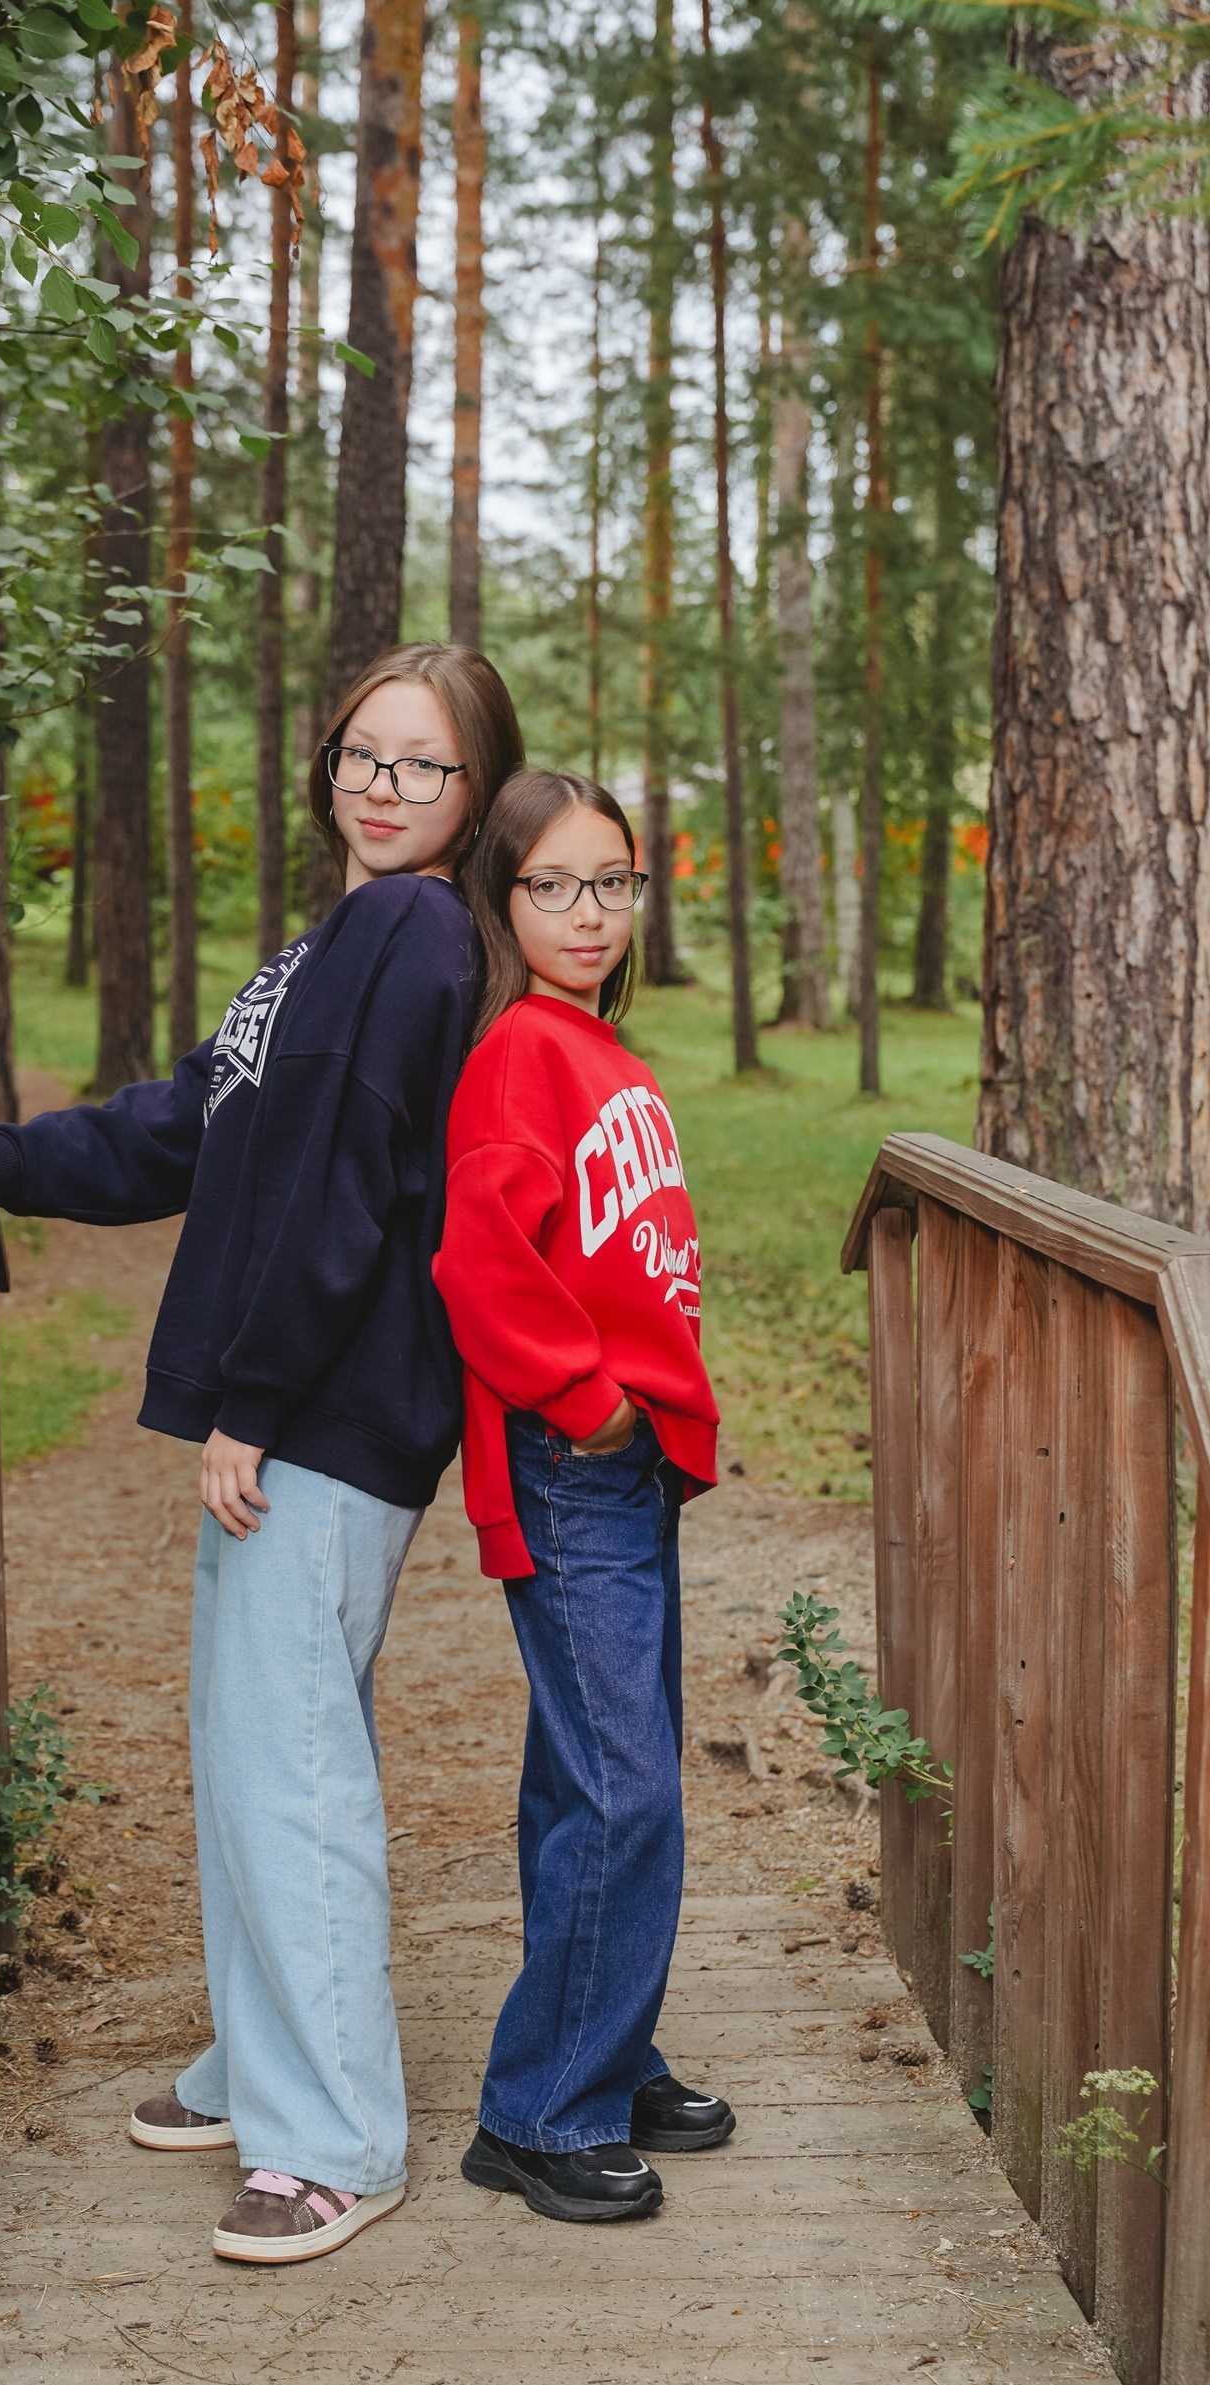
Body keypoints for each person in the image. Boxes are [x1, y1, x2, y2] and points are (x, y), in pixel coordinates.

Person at [0, 643, 525, 2265]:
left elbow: (349, 1183)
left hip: (331, 1411)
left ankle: (335, 2141)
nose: (382, 786)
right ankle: (257, 2061)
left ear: (478, 790)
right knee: (250, 1744)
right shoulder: (336, 939)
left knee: (292, 1767)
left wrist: (257, 1396)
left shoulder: (415, 932)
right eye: (362, 752)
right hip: (305, 1407)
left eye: (423, 765)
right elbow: (189, 1122)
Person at [431, 768, 735, 2226]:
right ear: (503, 901)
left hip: (630, 1464)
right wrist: (590, 1402)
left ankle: (609, 2056)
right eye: (552, 885)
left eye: (611, 881)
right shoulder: (517, 1057)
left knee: (593, 1773)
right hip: (575, 1462)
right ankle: (540, 2113)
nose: (589, 911)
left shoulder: (601, 1051)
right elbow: (481, 1266)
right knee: (626, 1786)